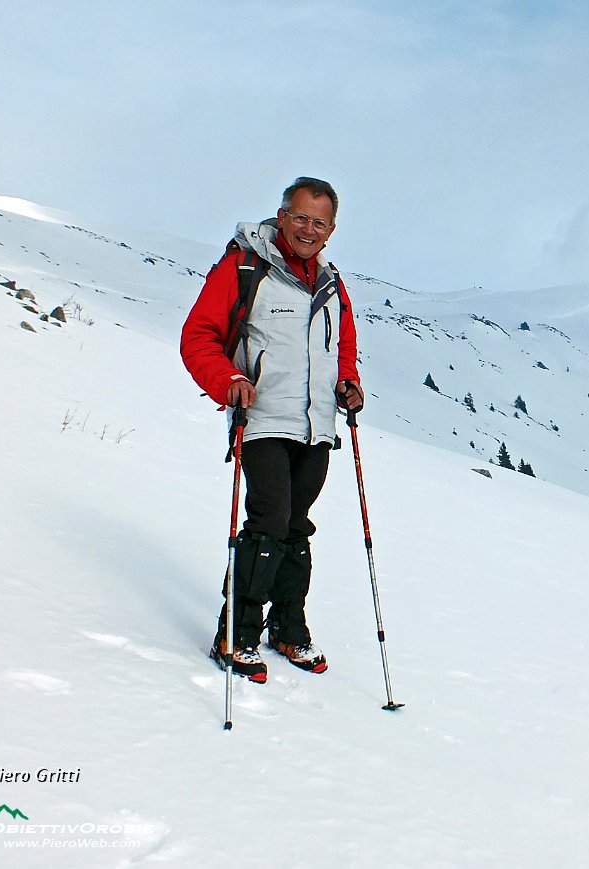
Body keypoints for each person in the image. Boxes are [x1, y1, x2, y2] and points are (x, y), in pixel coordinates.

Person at [180, 177, 365, 683]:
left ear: (331, 230)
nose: (308, 229)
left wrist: (349, 382)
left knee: (296, 524)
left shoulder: (331, 282)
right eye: (300, 217)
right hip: (261, 418)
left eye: (319, 222)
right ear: (282, 216)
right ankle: (236, 633)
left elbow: (341, 346)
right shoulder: (245, 268)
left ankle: (288, 626)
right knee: (269, 520)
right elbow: (198, 336)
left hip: (316, 426)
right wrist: (229, 381)